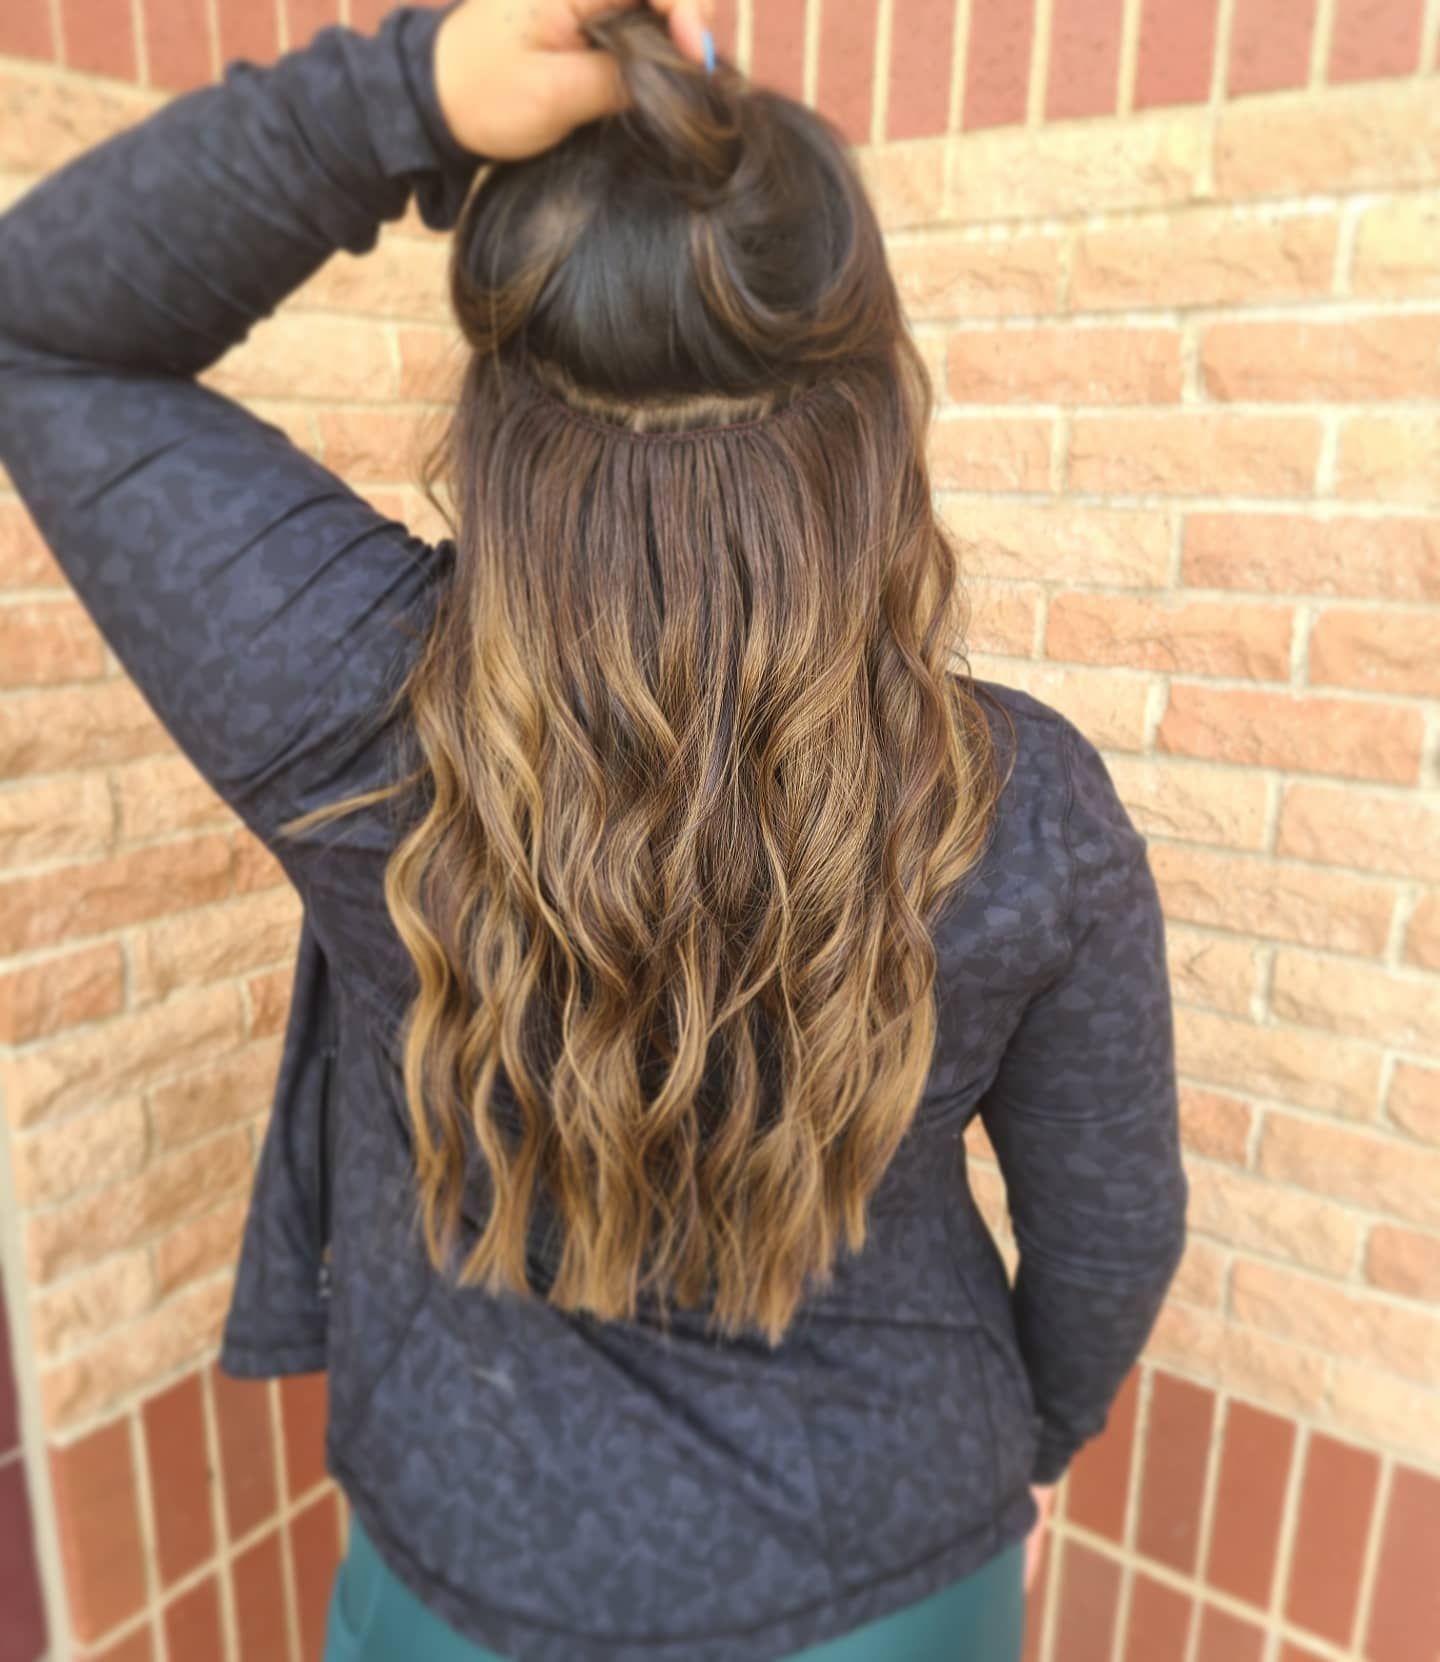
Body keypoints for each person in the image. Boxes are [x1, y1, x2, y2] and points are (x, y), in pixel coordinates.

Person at [0, 1, 1188, 1658]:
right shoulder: (1025, 809)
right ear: (867, 415)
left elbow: (42, 324)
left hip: (469, 1577)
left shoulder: (360, 717)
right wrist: (997, 1440)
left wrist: (406, 95)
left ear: (505, 405)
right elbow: (1113, 1232)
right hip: (897, 1571)